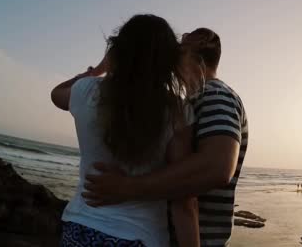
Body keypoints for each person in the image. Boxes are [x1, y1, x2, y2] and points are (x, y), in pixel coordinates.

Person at [83, 28, 249, 247]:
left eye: (180, 47)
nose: (172, 55)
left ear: (197, 46)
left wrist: (127, 187)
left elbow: (217, 167)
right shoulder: (196, 99)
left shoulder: (215, 95)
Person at [50, 14, 200, 247]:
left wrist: (96, 71)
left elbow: (56, 94)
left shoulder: (86, 91)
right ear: (170, 61)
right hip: (139, 236)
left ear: (117, 51)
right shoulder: (178, 112)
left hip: (79, 230)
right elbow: (184, 199)